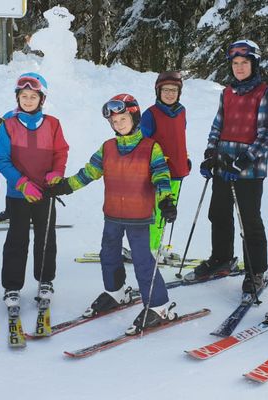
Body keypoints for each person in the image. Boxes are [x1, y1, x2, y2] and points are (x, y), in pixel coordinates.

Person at [49, 94, 178, 335]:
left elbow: (161, 177)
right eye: (114, 121)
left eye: (123, 119)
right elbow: (89, 172)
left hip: (139, 217)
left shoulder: (151, 148)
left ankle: (159, 304)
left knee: (142, 261)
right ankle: (116, 292)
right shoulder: (108, 147)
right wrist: (66, 186)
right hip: (113, 215)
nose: (118, 124)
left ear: (135, 117)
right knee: (108, 255)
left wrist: (167, 200)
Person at [190, 39, 268, 296]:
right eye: (235, 63)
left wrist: (242, 161)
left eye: (244, 62)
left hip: (248, 171)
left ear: (254, 64)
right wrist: (210, 154)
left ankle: (256, 270)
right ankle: (222, 258)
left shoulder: (266, 93)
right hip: (223, 166)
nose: (239, 68)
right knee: (218, 214)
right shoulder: (227, 93)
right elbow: (217, 126)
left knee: (249, 221)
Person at [0, 72, 69, 310]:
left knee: (46, 238)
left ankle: (45, 280)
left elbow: (61, 152)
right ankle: (12, 286)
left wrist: (57, 172)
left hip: (45, 193)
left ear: (41, 99)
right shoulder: (9, 125)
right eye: (23, 96)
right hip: (18, 194)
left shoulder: (53, 124)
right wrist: (22, 183)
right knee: (17, 239)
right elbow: (1, 159)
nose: (28, 100)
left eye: (32, 96)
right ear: (18, 98)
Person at [140, 71, 190, 259]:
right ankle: (150, 250)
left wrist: (184, 157)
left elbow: (178, 138)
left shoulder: (181, 111)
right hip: (158, 173)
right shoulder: (150, 114)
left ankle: (158, 245)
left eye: (174, 90)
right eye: (166, 90)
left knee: (168, 212)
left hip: (177, 171)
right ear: (158, 91)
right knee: (156, 213)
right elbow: (143, 144)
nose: (170, 93)